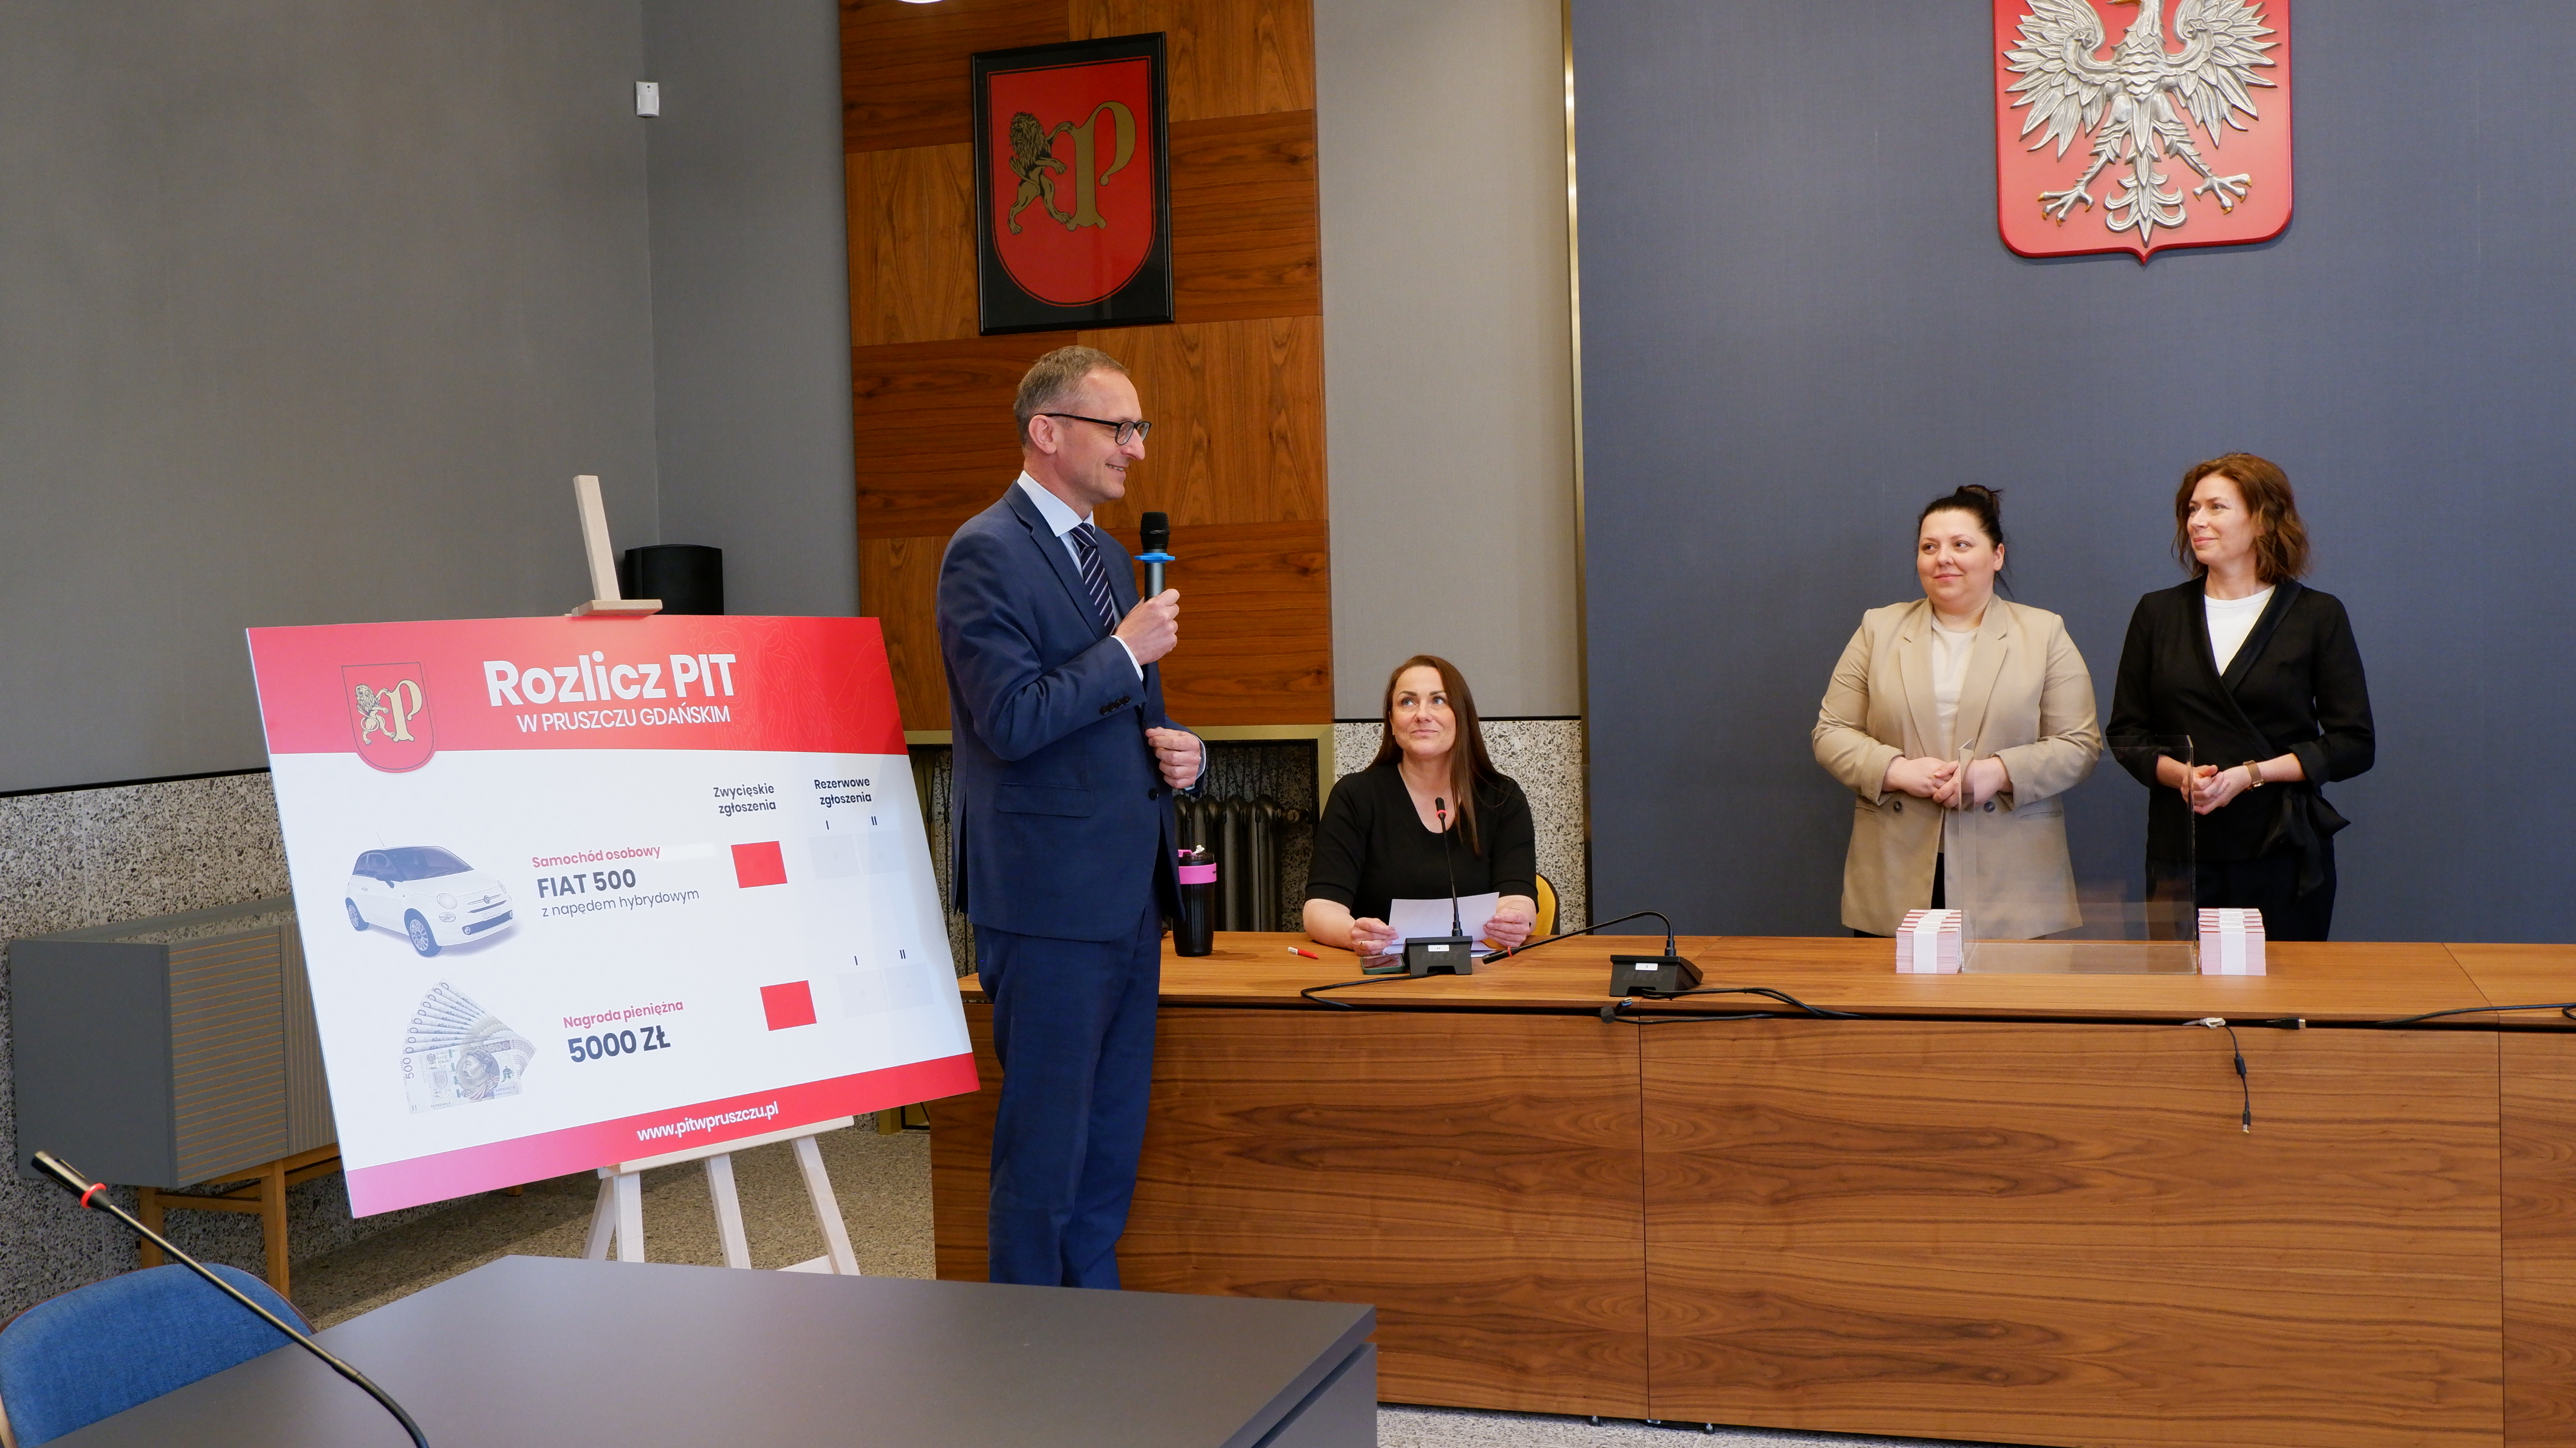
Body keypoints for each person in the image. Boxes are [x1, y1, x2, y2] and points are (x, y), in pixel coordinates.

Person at [936, 344, 1205, 1289]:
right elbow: (1011, 719)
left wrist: (1183, 751)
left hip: (1127, 898)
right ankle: (1028, 1353)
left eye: (1139, 428)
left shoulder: (1108, 558)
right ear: (1047, 432)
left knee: (1107, 1148)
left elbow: (1125, 715)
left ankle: (1094, 1336)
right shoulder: (985, 552)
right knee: (1045, 1155)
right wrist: (1125, 653)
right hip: (1047, 904)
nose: (1137, 448)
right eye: (1118, 427)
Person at [1812, 485, 2102, 937]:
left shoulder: (2044, 633)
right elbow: (1831, 732)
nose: (1942, 558)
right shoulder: (1878, 628)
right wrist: (1896, 770)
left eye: (1961, 545)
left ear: (1997, 555)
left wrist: (1999, 773)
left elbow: (2080, 745)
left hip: (2013, 878)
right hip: (1894, 870)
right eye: (1929, 547)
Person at [2108, 453, 2372, 941]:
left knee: (2284, 985)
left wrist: (2250, 775)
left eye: (2217, 507)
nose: (2197, 521)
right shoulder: (2158, 613)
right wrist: (2183, 776)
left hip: (2281, 851)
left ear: (2263, 519)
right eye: (2192, 509)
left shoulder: (2317, 616)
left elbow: (2353, 743)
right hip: (2183, 850)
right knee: (2185, 986)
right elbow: (2127, 734)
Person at [1304, 656, 1538, 957]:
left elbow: (1518, 896)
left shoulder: (1502, 797)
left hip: (1480, 973)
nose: (1422, 715)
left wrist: (1514, 920)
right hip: (1382, 971)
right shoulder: (1355, 796)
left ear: (1462, 716)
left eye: (1438, 700)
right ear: (1392, 720)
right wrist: (1352, 934)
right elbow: (1321, 907)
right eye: (1408, 702)